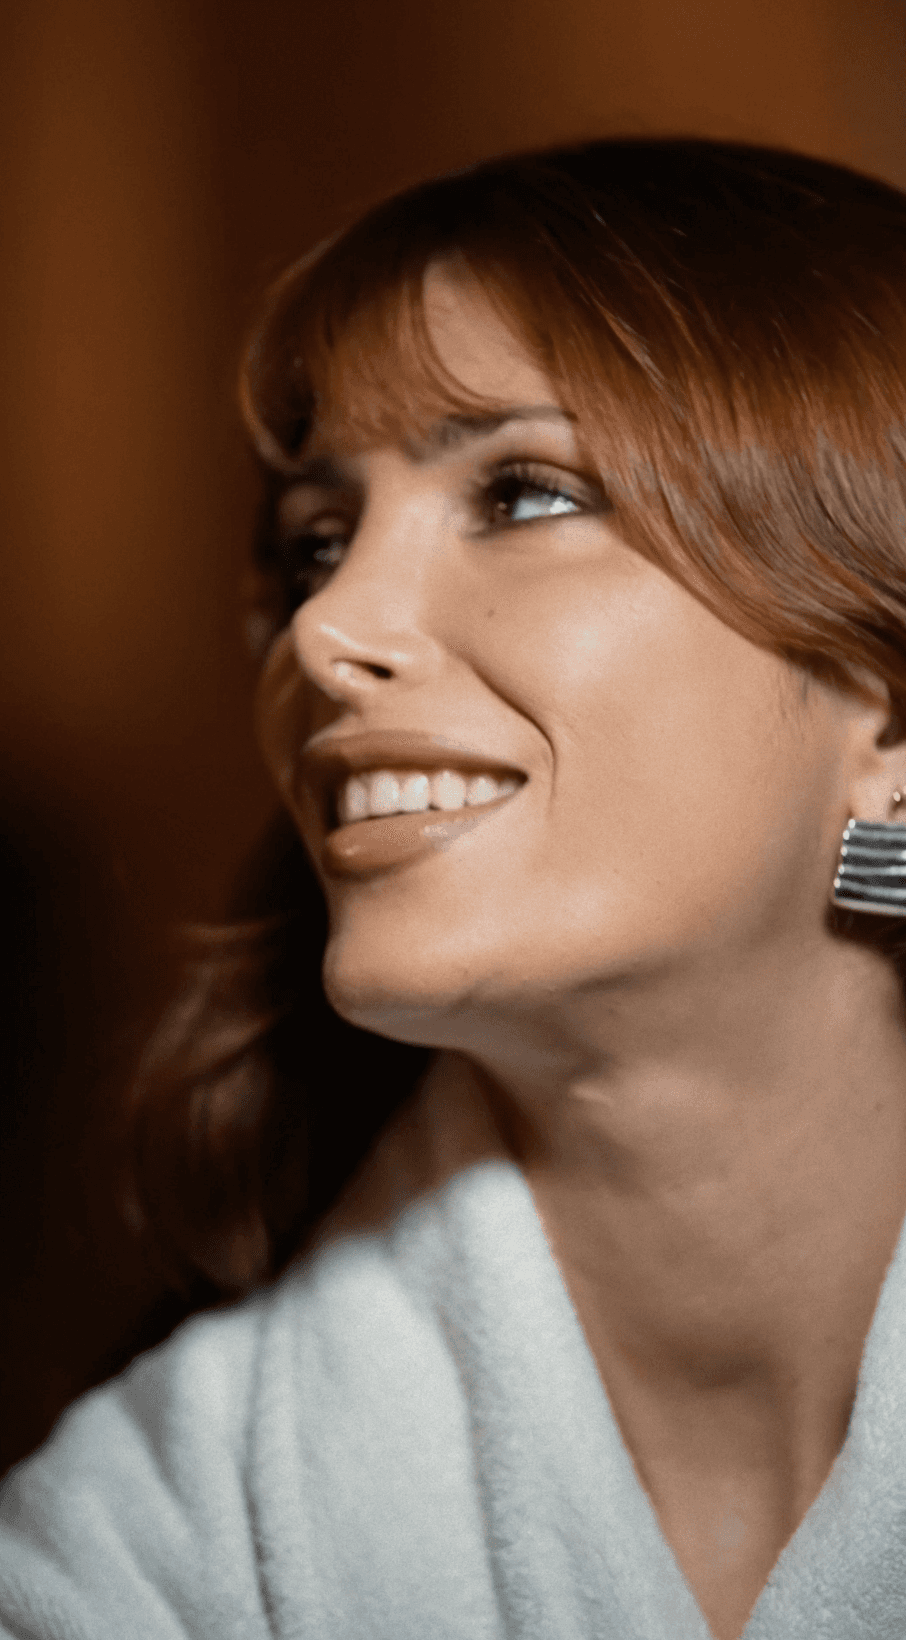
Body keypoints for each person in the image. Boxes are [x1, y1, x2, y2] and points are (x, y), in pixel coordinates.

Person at [3, 135, 906, 1640]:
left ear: (883, 713)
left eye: (526, 491)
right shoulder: (147, 1544)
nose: (325, 630)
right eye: (314, 542)